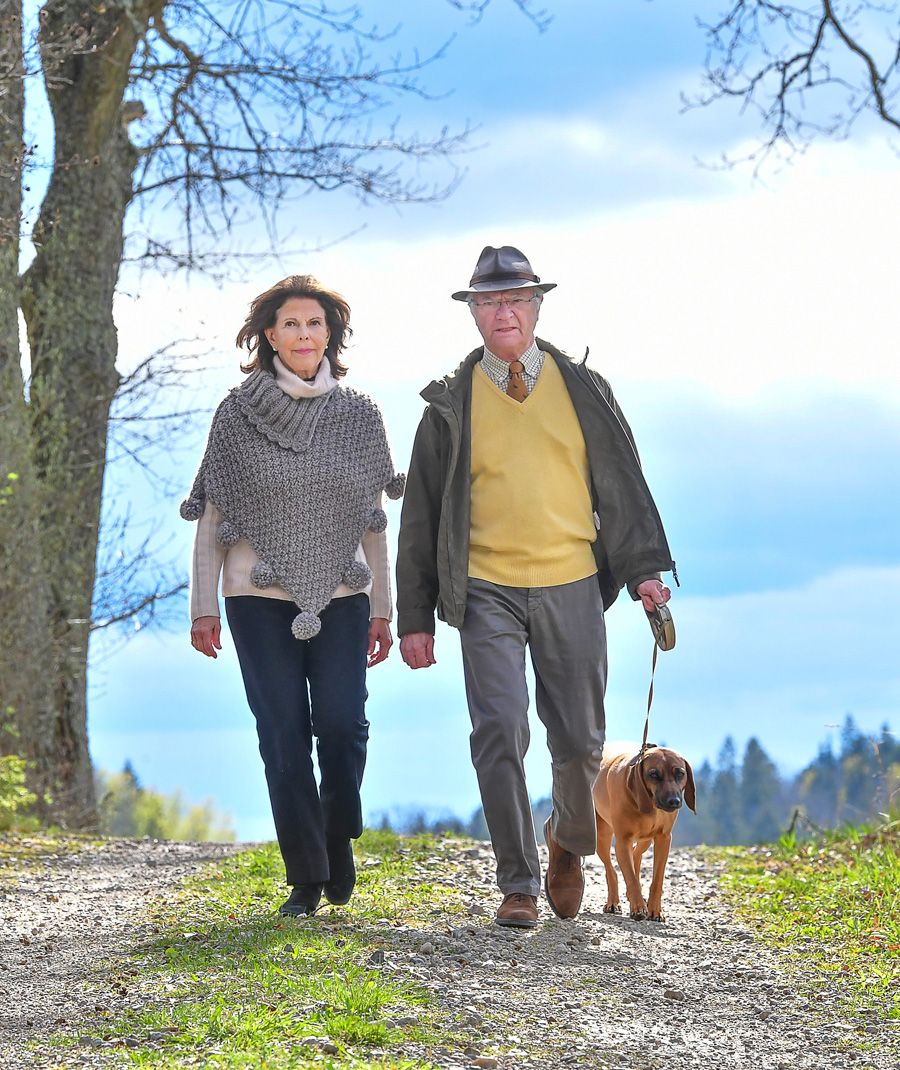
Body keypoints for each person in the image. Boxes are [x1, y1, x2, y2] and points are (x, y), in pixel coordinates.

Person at [396, 246, 675, 928]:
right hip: (484, 586)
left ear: (538, 306)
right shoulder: (447, 405)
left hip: (574, 580)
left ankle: (568, 844)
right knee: (499, 728)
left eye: (516, 299)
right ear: (474, 314)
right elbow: (421, 515)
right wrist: (415, 615)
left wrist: (643, 571)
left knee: (580, 741)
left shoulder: (584, 388)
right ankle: (517, 881)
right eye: (489, 302)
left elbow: (622, 484)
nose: (504, 313)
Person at [182, 274, 404, 917]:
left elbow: (373, 523)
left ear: (331, 333)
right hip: (254, 599)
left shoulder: (359, 416)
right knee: (282, 734)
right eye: (291, 324)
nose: (304, 335)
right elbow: (212, 517)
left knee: (340, 725)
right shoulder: (236, 414)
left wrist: (384, 608)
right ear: (268, 336)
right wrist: (203, 606)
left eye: (315, 323)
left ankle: (338, 835)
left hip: (343, 595)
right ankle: (306, 877)